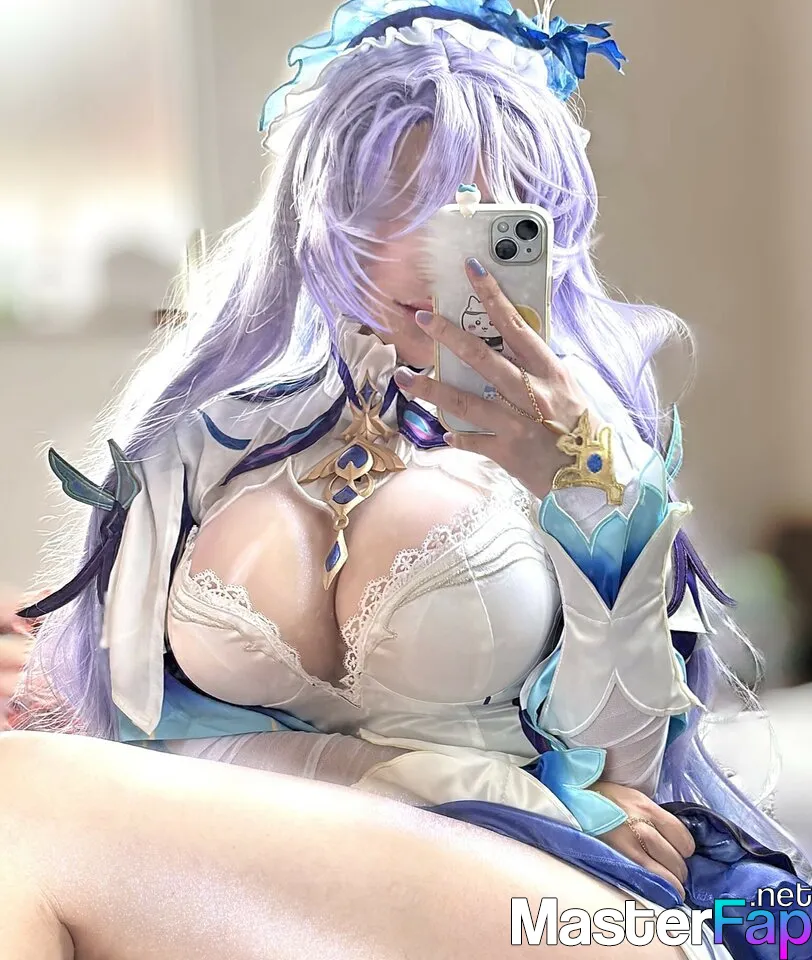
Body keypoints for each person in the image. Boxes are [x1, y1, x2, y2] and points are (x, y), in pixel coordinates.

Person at [6, 2, 810, 957]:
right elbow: (147, 743)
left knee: (21, 793)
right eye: (401, 189)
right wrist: (425, 784)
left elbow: (622, 771)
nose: (442, 240)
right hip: (284, 902)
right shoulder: (203, 446)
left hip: (549, 902)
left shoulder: (592, 454)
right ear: (323, 204)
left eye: (487, 207)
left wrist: (586, 495)